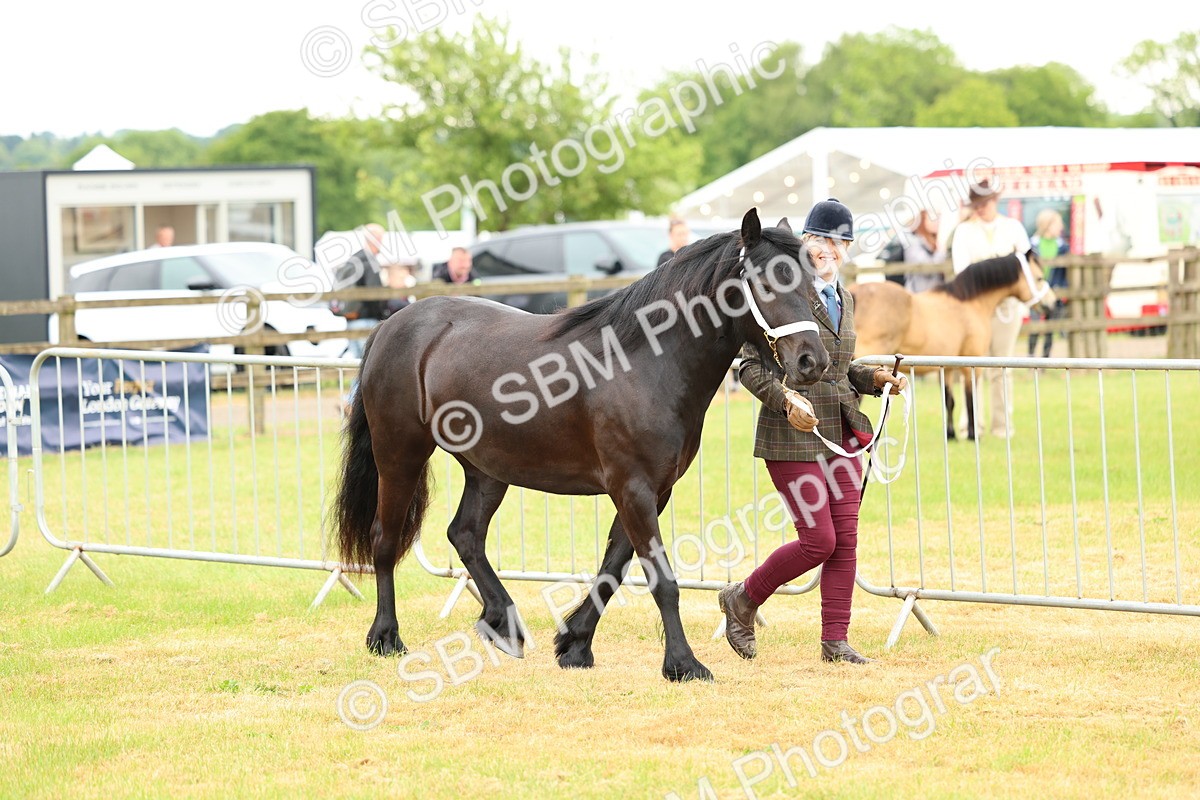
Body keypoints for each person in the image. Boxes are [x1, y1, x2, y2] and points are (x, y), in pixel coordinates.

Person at [718, 198, 908, 665]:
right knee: (817, 540)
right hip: (791, 437)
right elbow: (748, 367)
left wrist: (876, 377)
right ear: (806, 241)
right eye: (824, 240)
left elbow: (838, 372)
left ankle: (835, 640)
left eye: (841, 242)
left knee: (845, 540)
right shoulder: (781, 292)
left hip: (842, 434)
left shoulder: (846, 298)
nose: (833, 250)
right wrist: (785, 401)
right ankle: (743, 597)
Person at [950, 179, 1032, 438]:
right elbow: (961, 271)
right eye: (977, 204)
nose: (981, 208)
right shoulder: (964, 231)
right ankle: (971, 424)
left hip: (1007, 308)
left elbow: (1026, 266)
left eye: (985, 203)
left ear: (995, 201)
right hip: (975, 310)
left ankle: (1002, 426)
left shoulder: (1013, 228)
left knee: (1001, 366)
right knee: (973, 367)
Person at [333, 223, 387, 412]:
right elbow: (375, 295)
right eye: (381, 239)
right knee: (368, 364)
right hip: (366, 320)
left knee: (360, 362)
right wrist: (385, 315)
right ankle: (350, 400)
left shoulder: (353, 260)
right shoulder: (370, 262)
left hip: (350, 320)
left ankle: (351, 400)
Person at [1027, 209, 1069, 358]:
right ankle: (1031, 358)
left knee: (1050, 329)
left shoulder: (1063, 247)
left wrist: (1063, 289)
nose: (1061, 227)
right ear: (1048, 225)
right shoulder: (1031, 245)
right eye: (1058, 224)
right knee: (1035, 326)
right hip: (1036, 293)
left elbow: (1065, 272)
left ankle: (1045, 360)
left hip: (1054, 292)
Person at [901, 210, 947, 294]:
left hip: (934, 295)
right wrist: (941, 251)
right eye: (933, 218)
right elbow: (927, 269)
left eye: (939, 218)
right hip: (920, 296)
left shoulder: (934, 242)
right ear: (922, 221)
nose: (938, 221)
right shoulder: (913, 243)